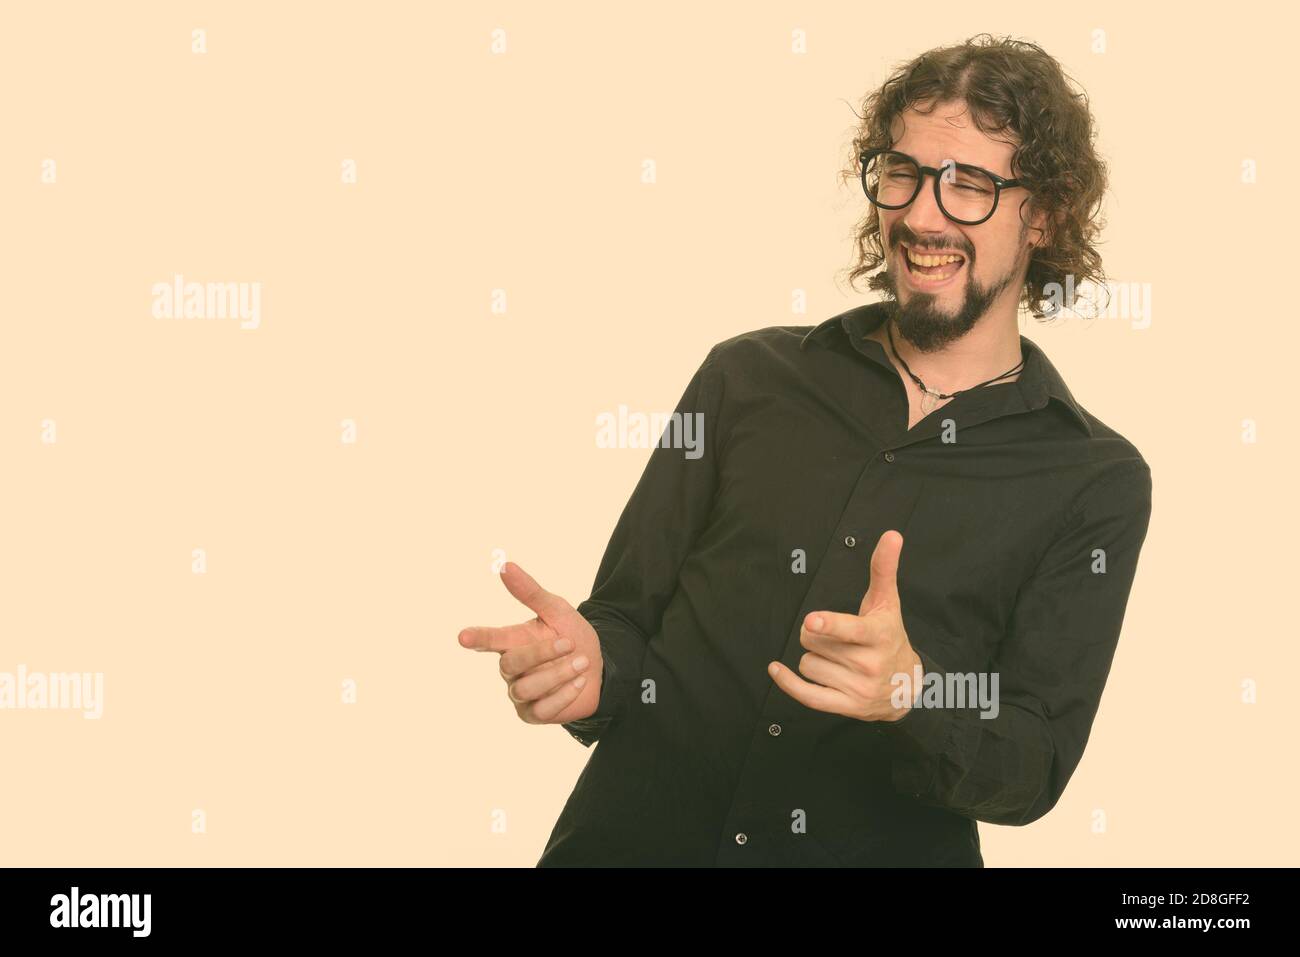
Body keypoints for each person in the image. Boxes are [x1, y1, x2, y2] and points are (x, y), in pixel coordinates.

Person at [459, 34, 1153, 866]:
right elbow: (626, 623)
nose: (924, 216)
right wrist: (587, 666)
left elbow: (1033, 761)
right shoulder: (745, 377)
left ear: (1043, 213)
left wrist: (913, 695)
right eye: (903, 172)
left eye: (970, 184)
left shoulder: (1093, 479)